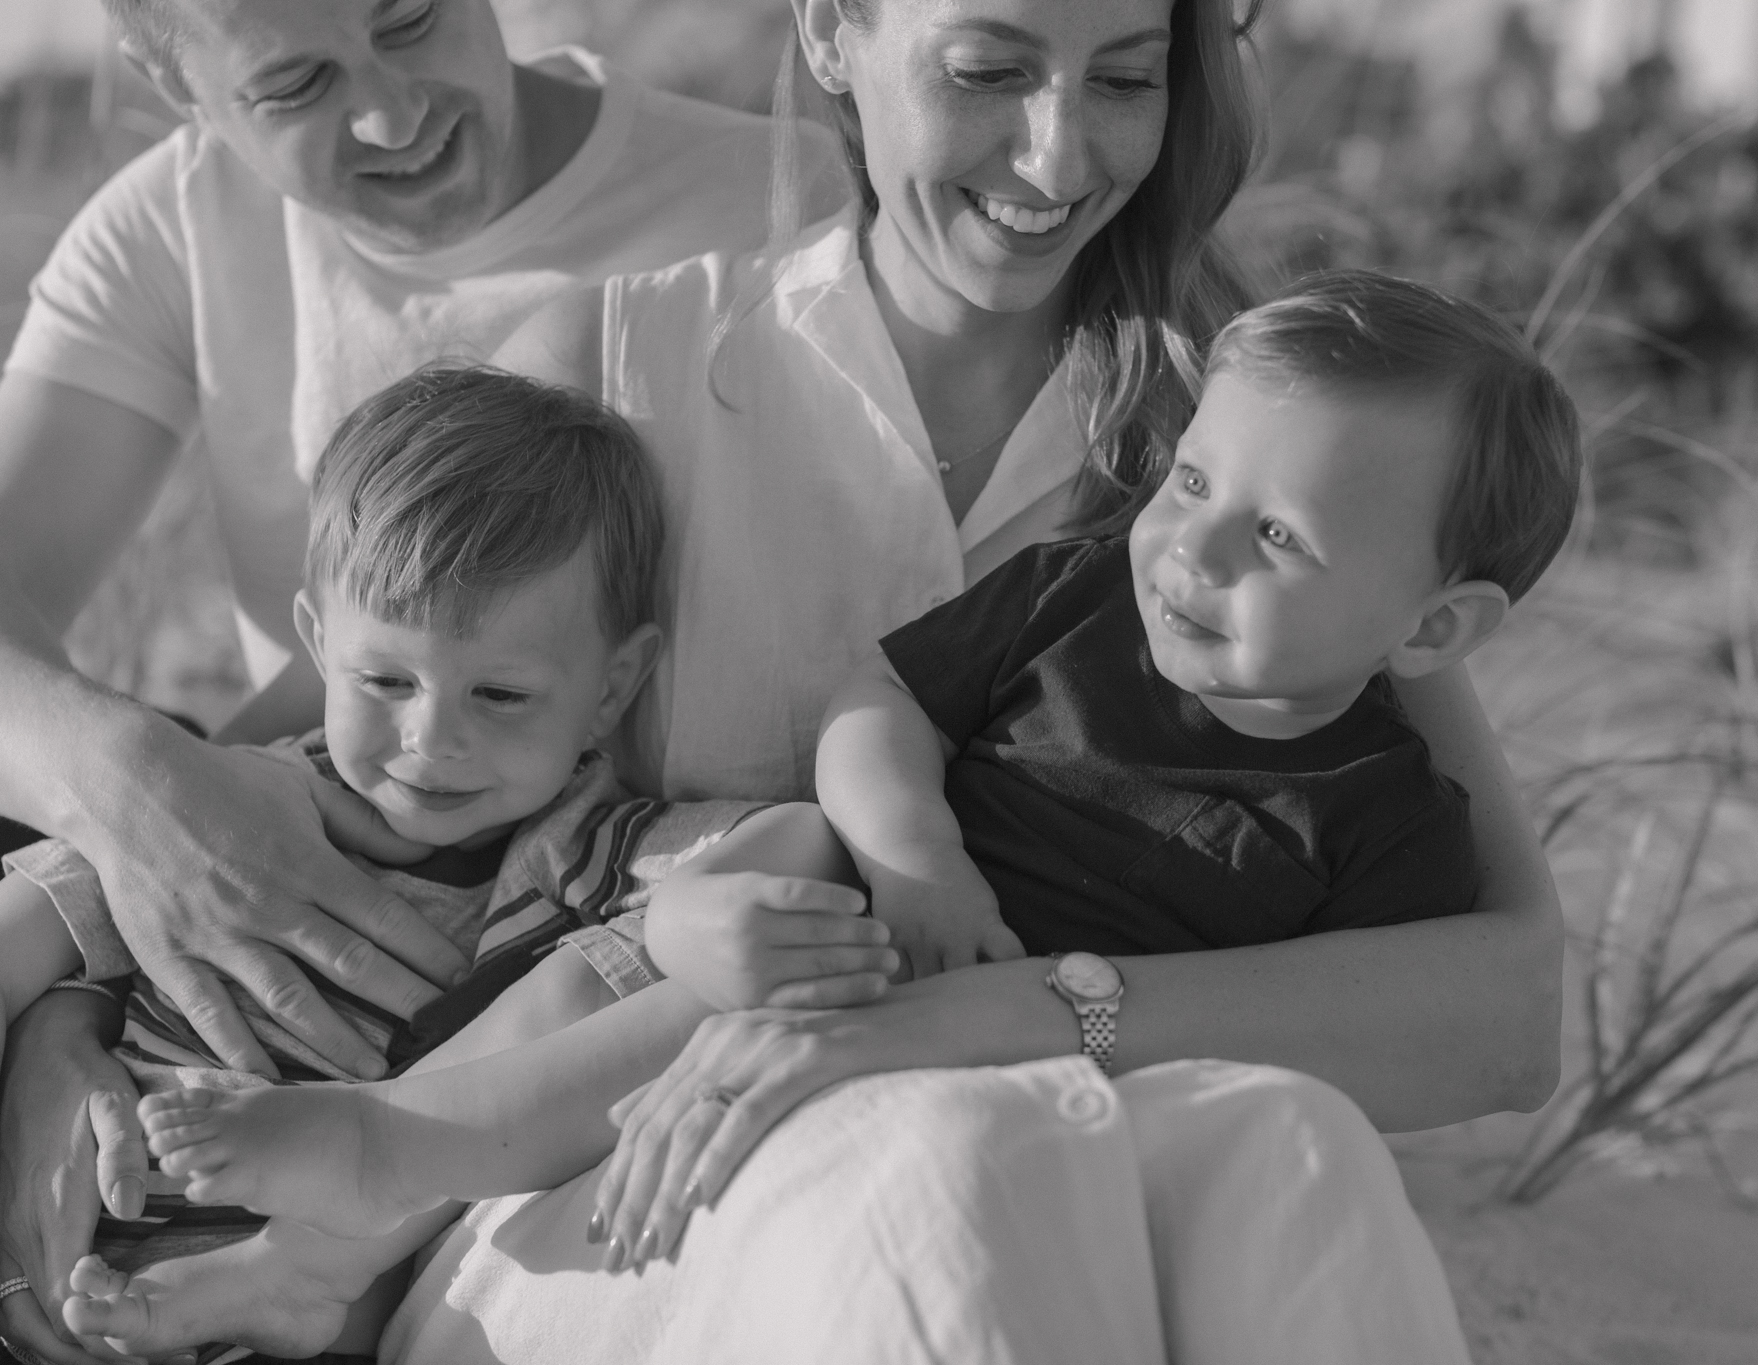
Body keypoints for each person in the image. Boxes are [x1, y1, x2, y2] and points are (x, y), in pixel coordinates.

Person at [4, 2, 1564, 1361]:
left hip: (1061, 1093)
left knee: (1295, 1157)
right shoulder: (620, 364)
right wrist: (68, 1020)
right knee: (945, 1165)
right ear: (831, 30)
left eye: (1126, 78)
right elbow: (311, 769)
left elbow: (1496, 1005)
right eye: (986, 64)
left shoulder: (1240, 445)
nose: (1054, 154)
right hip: (603, 1161)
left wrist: (1016, 1012)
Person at [5, 364, 889, 1355]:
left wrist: (688, 919)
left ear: (612, 688)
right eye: (384, 678)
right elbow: (22, 936)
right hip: (47, 1246)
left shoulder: (577, 850)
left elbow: (806, 845)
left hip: (268, 1309)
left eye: (500, 696)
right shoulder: (240, 811)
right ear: (317, 639)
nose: (432, 740)